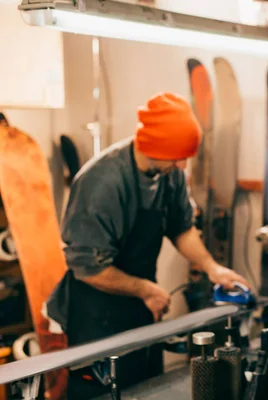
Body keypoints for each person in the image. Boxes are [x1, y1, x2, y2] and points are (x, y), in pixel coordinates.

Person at [45, 92, 249, 398]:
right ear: (154, 146)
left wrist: (212, 267)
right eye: (178, 156)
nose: (182, 164)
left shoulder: (170, 175)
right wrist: (146, 289)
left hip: (141, 306)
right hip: (96, 315)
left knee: (148, 390)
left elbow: (182, 229)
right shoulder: (101, 183)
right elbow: (88, 269)